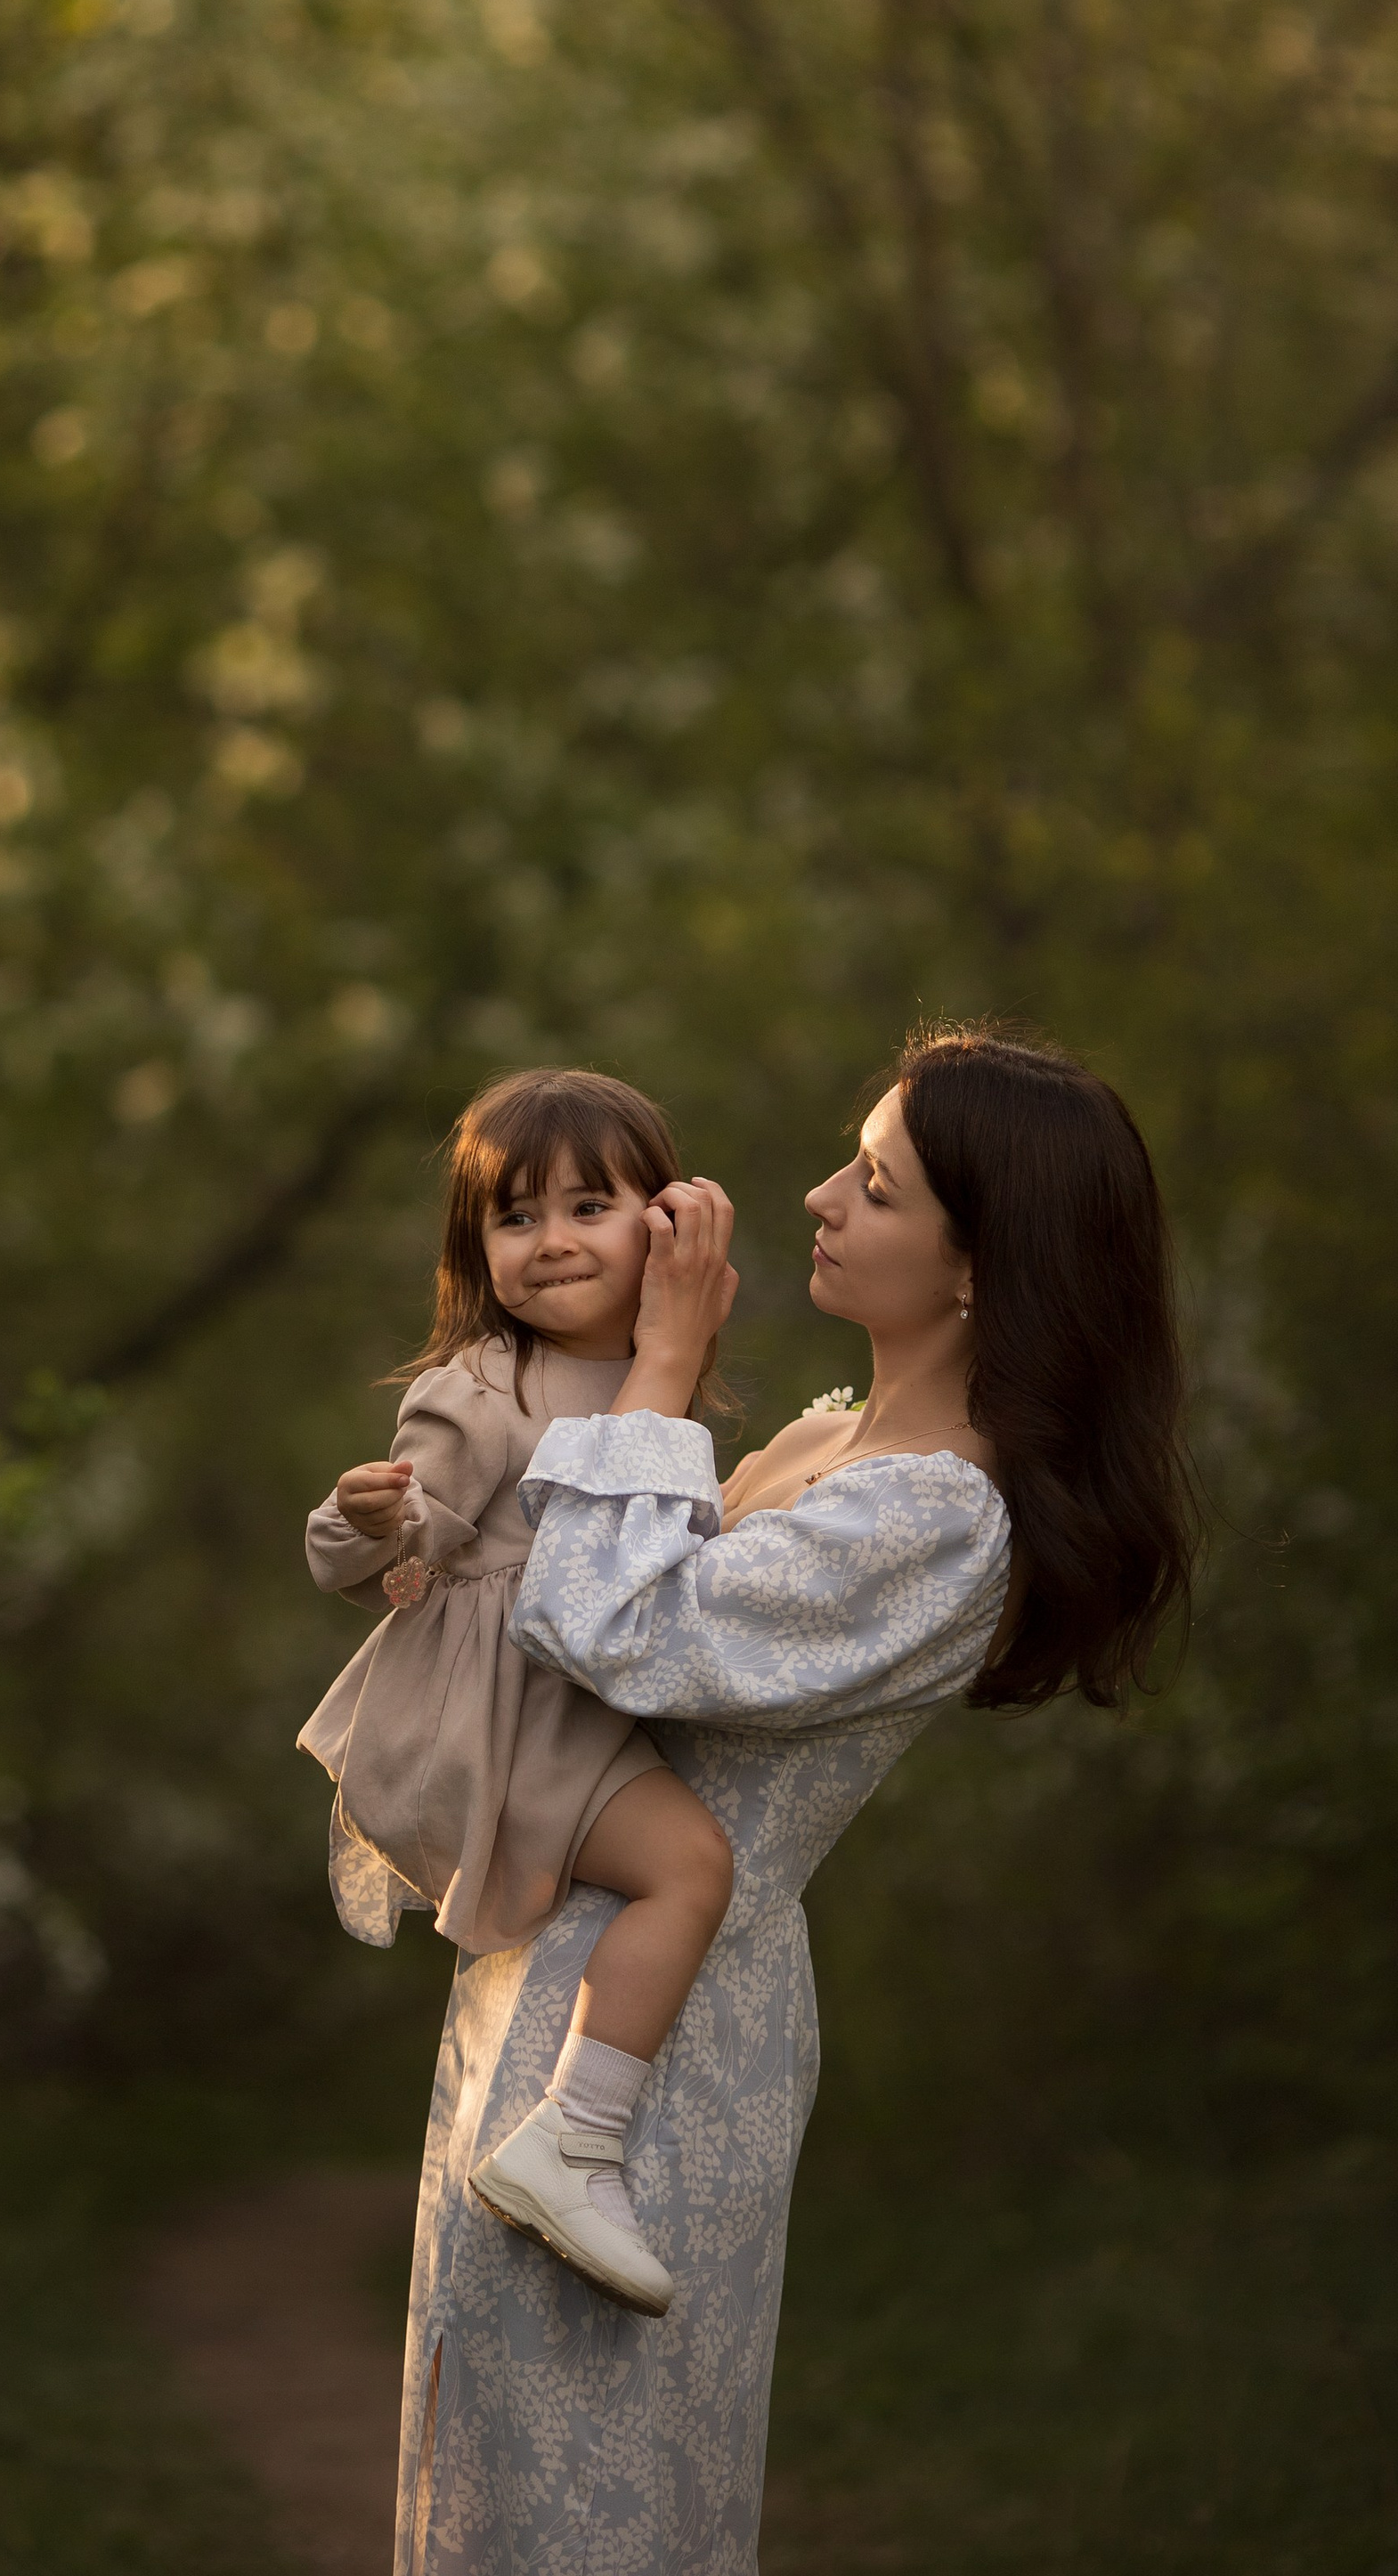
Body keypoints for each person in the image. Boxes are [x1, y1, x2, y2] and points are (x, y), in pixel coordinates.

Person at [378, 1027, 1201, 2576]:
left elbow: (609, 1626)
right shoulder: (826, 1440)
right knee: (483, 2459)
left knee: (594, 2506)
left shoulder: (937, 1519)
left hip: (668, 2054)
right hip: (546, 1977)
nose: (819, 1196)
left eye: (876, 1185)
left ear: (980, 1263)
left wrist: (661, 1360)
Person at [299, 1069, 738, 2314]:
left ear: (663, 1221)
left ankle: (573, 2134)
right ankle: (575, 2140)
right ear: (475, 1248)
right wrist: (373, 1521)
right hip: (495, 1714)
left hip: (563, 1704)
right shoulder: (482, 1386)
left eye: (589, 1206)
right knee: (689, 1864)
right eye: (515, 1216)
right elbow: (392, 1543)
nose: (551, 1241)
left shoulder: (658, 1376)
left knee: (688, 1858)